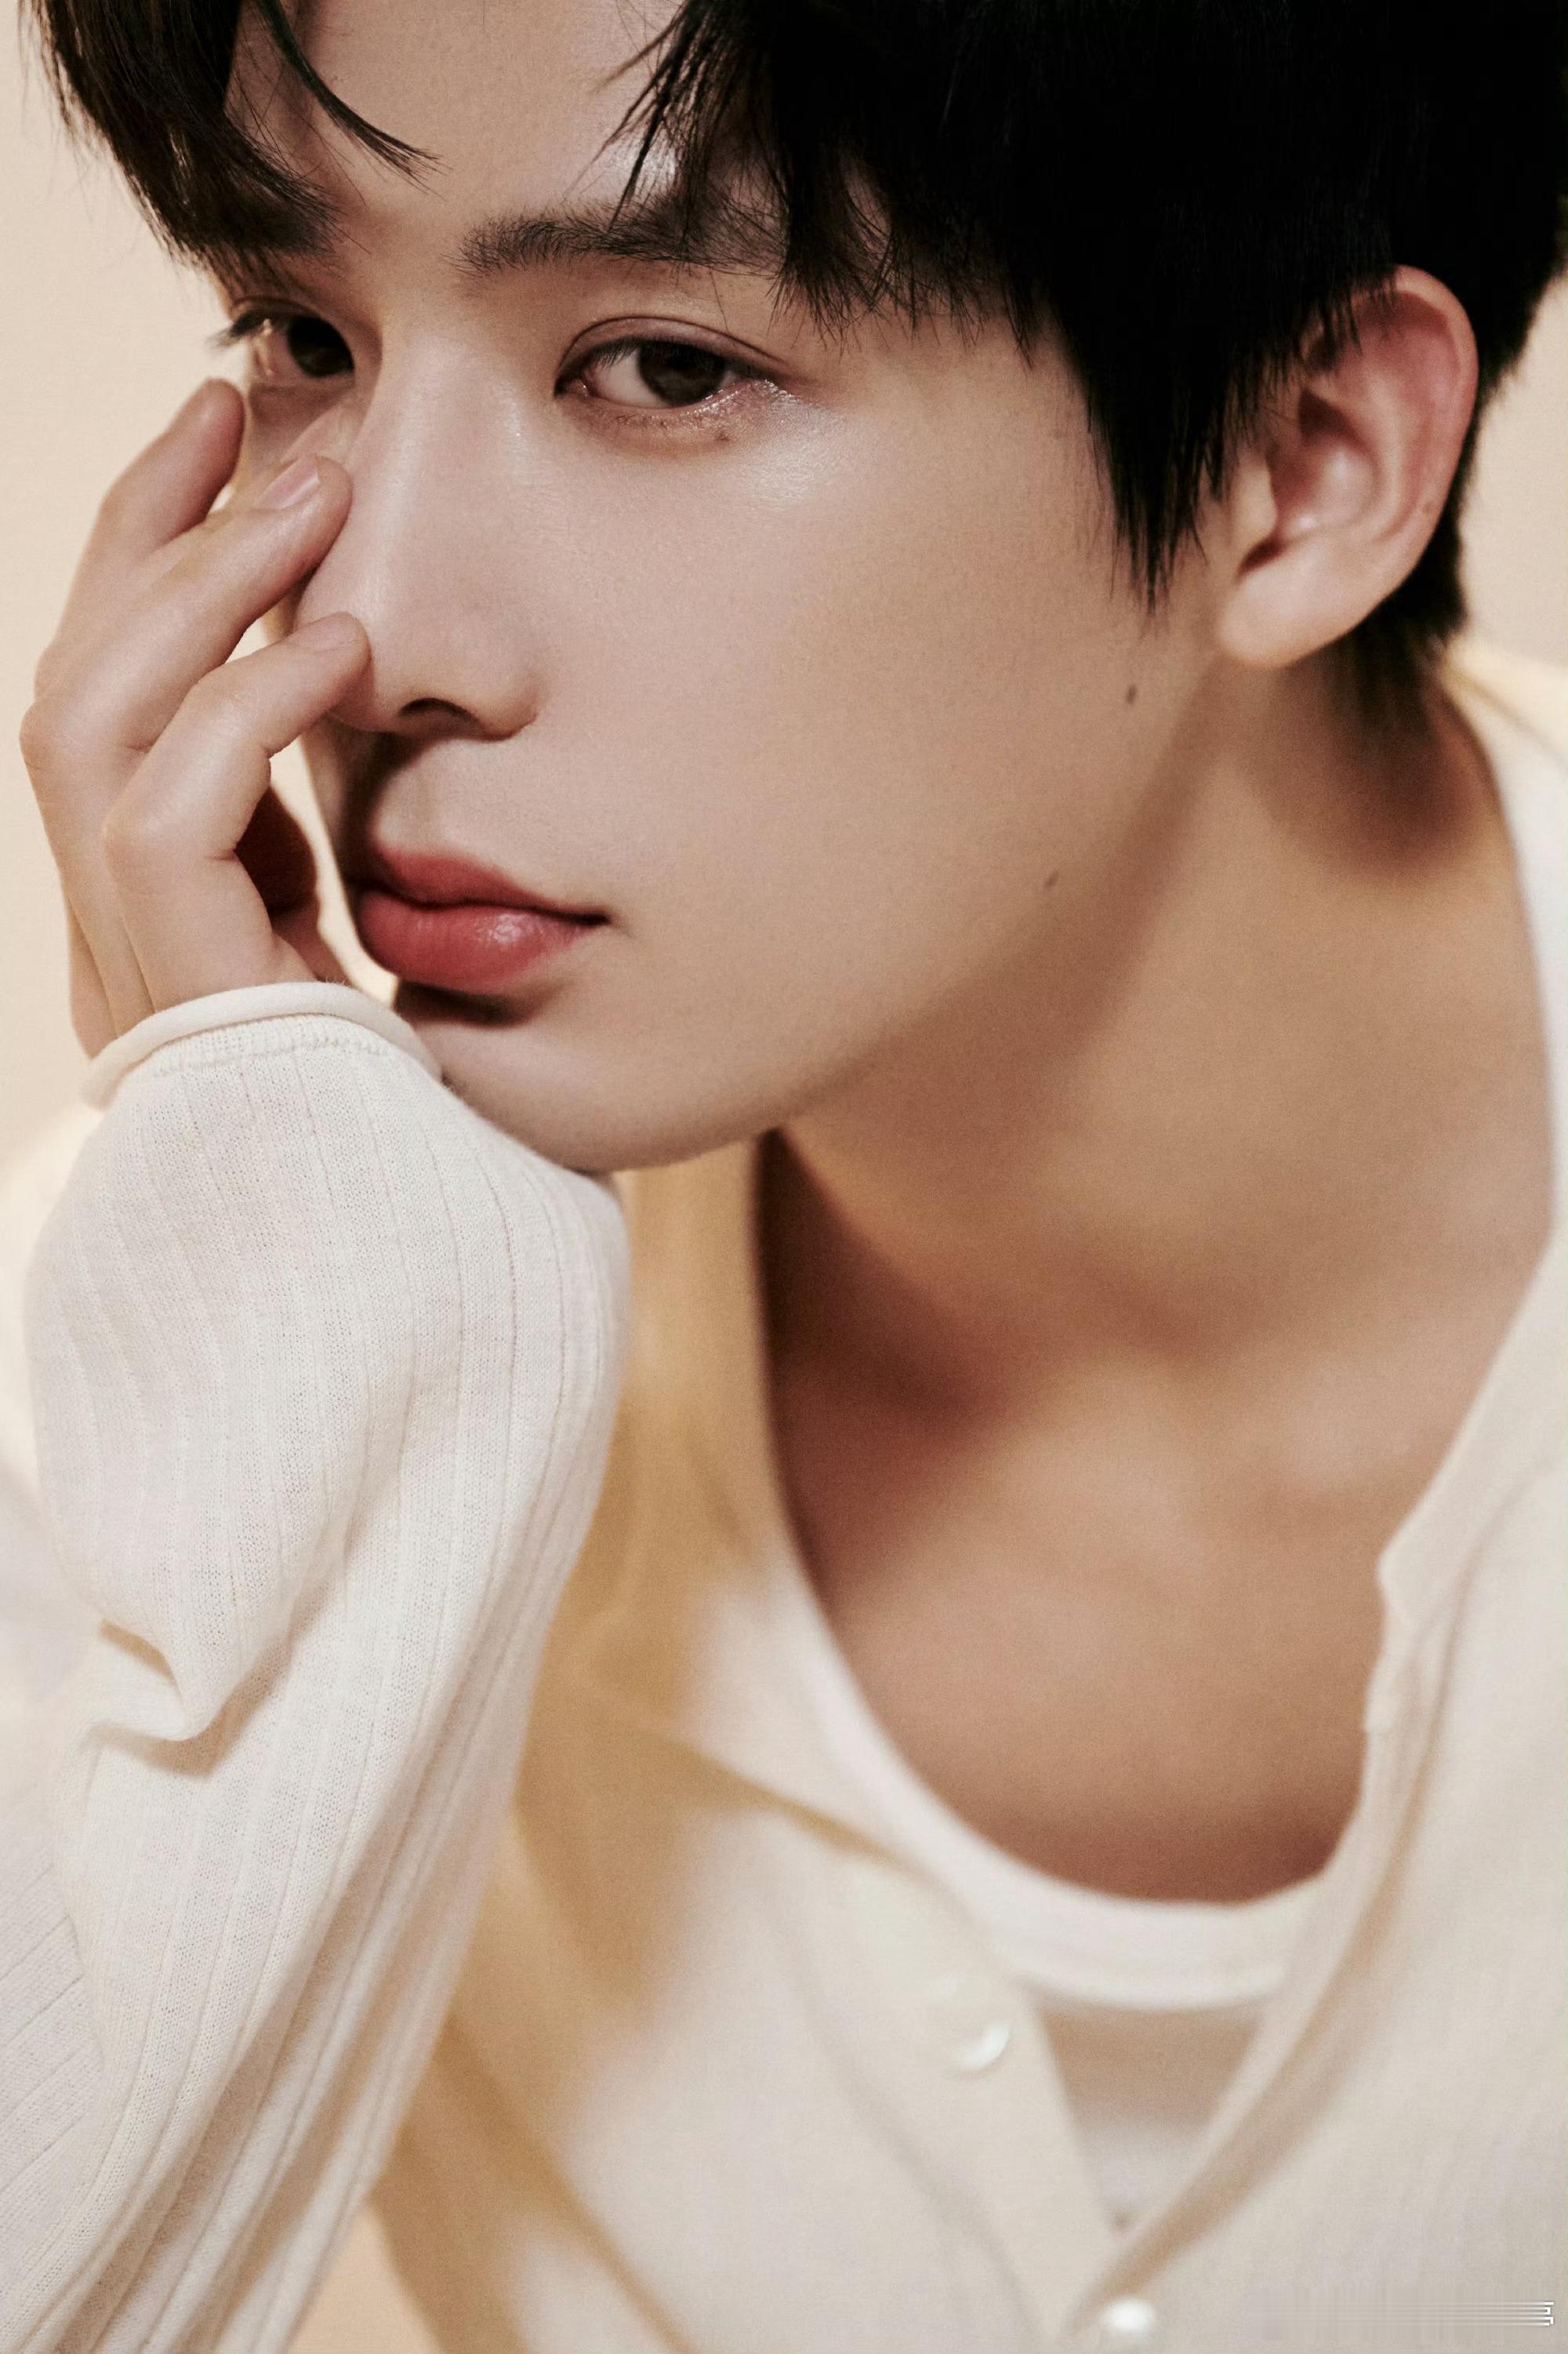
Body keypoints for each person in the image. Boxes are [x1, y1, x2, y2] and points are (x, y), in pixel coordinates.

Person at [2, 0, 1564, 2347]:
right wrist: (320, 1392)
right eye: (306, 333)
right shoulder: (184, 1371)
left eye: (660, 369)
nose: (374, 634)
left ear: (1308, 457)